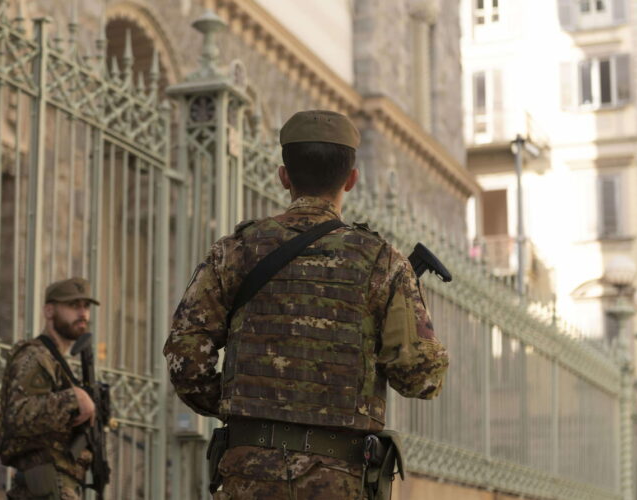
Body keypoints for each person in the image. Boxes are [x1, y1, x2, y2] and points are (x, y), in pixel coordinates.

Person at [164, 110, 450, 499]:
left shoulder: (234, 251)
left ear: (284, 176)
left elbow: (185, 358)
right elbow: (420, 377)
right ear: (351, 179)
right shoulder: (383, 262)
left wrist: (241, 408)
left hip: (247, 474)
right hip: (337, 479)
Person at [0, 277, 99, 500]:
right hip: (46, 481)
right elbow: (17, 415)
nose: (82, 313)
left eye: (86, 306)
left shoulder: (58, 363)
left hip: (61, 484)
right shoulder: (34, 355)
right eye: (73, 306)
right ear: (49, 310)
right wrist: (73, 399)